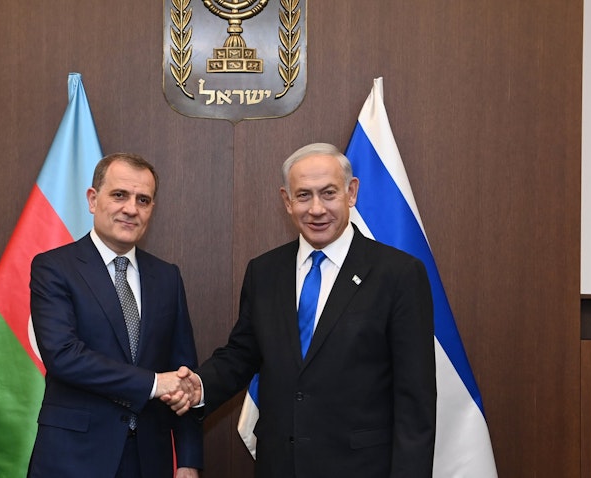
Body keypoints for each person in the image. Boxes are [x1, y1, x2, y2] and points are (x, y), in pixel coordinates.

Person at [164, 142, 436, 477]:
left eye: (329, 193)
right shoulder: (264, 271)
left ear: (351, 193)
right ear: (287, 201)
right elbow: (242, 354)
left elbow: (415, 401)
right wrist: (200, 386)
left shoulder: (399, 274)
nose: (317, 209)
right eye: (304, 195)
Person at [27, 152, 202, 478]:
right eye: (119, 195)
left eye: (143, 199)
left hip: (150, 458)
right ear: (93, 200)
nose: (131, 208)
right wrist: (153, 383)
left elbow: (183, 372)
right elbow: (63, 356)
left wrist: (189, 459)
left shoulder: (167, 277)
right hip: (74, 458)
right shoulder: (54, 268)